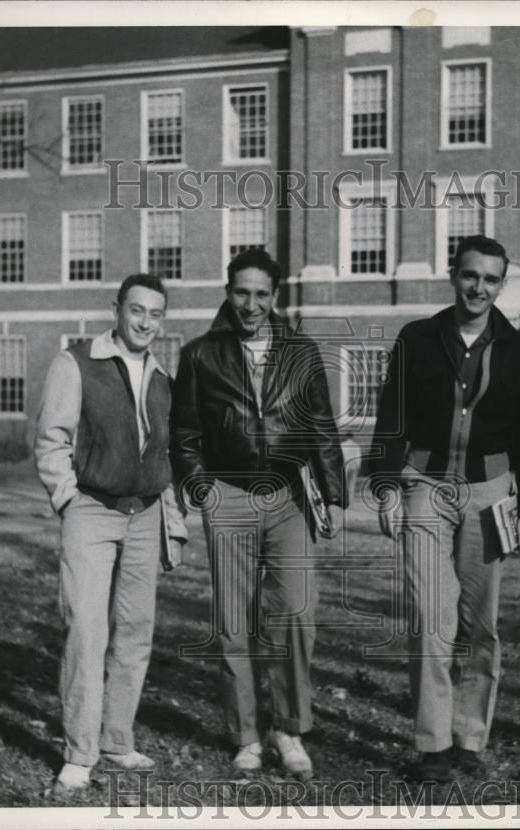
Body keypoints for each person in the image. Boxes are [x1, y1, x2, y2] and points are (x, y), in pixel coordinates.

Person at [368, 235, 520, 782]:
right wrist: (386, 484)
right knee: (432, 619)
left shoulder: (519, 350)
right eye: (471, 275)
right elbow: (391, 414)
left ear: (501, 284)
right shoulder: (419, 338)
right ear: (454, 274)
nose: (479, 288)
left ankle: (469, 736)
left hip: (490, 493)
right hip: (425, 487)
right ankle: (433, 745)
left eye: (491, 279)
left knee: (480, 624)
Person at [171, 248, 345, 779]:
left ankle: (288, 729)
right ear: (228, 292)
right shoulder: (201, 354)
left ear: (275, 297)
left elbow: (320, 425)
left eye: (261, 294)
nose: (251, 304)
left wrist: (334, 493)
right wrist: (203, 489)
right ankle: (245, 734)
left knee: (296, 612)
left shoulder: (301, 351)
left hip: (290, 496)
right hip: (229, 494)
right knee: (234, 621)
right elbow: (185, 433)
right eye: (242, 293)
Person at [35, 273, 187, 795]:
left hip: (146, 515)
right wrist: (67, 498)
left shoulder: (164, 377)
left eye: (155, 314)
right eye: (137, 310)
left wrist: (173, 521)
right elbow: (52, 439)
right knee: (86, 629)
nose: (145, 322)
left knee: (135, 629)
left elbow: (162, 456)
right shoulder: (75, 362)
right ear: (117, 309)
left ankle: (118, 739)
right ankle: (80, 753)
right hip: (92, 511)